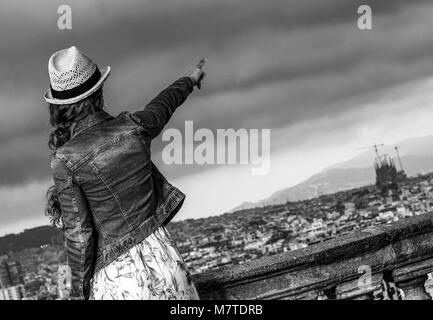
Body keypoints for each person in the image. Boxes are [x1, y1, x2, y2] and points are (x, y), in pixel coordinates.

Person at [44, 46, 206, 300]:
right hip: (166, 263)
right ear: (98, 92)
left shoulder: (65, 160)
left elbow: (80, 237)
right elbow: (161, 107)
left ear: (59, 107)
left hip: (120, 280)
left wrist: (77, 294)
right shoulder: (133, 126)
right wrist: (189, 79)